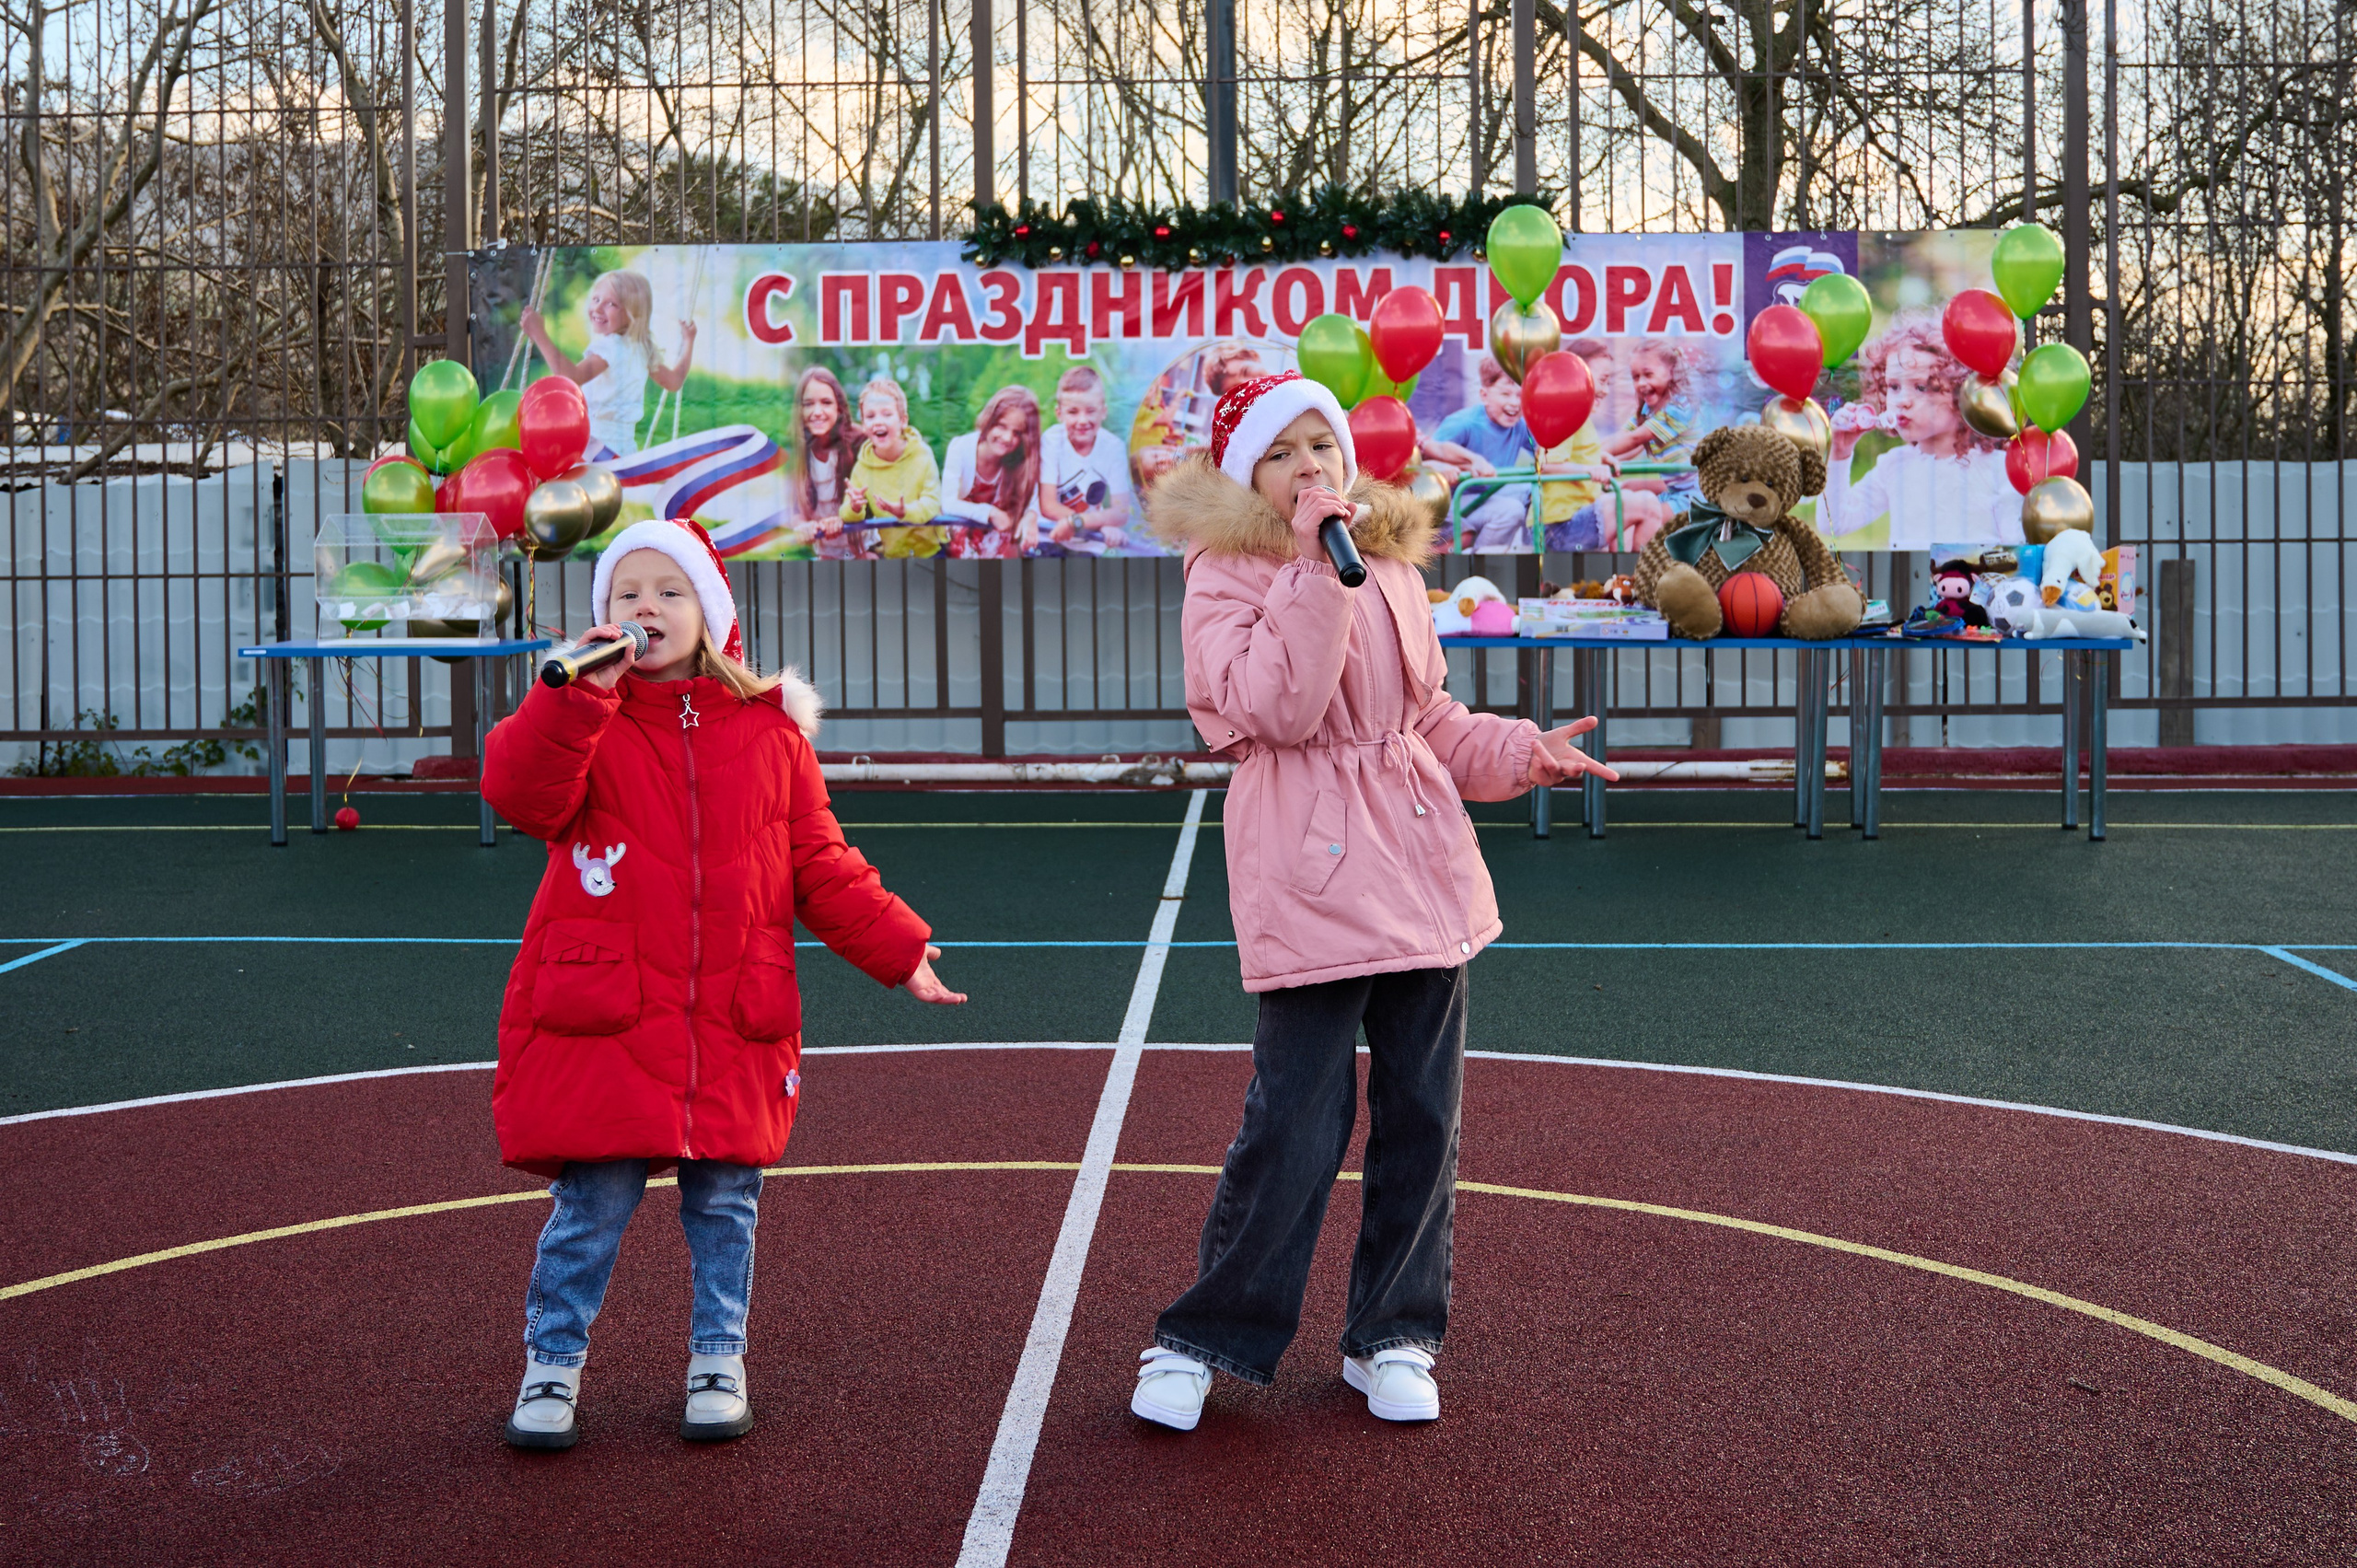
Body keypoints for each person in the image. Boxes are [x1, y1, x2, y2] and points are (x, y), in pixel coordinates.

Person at [1134, 370, 1619, 1432]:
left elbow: (1426, 712)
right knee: (1293, 1126)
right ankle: (1205, 1336)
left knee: (1422, 1118)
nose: (1311, 464)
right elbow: (1276, 705)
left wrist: (1515, 752)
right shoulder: (1224, 573)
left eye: (1323, 443)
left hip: (1418, 871)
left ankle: (1393, 1333)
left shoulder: (1388, 562)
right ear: (1247, 477)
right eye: (1282, 452)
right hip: (1309, 877)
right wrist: (1314, 569)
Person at [480, 516, 967, 1452]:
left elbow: (818, 860)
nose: (647, 608)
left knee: (726, 1204)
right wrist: (576, 695)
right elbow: (520, 790)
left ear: (710, 612)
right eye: (628, 594)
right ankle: (551, 1364)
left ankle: (717, 1354)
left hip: (732, 1015)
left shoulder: (769, 731)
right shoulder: (586, 720)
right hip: (611, 1019)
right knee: (592, 1205)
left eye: (669, 591)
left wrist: (898, 947)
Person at [1818, 313, 2019, 547]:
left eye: (1921, 387)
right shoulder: (1894, 466)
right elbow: (1835, 523)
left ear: (1962, 393)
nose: (1902, 401)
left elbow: (2016, 556)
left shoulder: (2000, 469)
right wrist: (1840, 454)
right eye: (1893, 386)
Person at [521, 270, 697, 460]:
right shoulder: (642, 349)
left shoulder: (611, 347)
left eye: (611, 304)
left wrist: (539, 333)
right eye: (596, 299)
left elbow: (572, 377)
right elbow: (675, 381)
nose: (598, 308)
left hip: (596, 448)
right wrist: (689, 342)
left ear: (632, 314)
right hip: (625, 452)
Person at [1537, 338, 1670, 554]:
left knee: (1633, 509)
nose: (1606, 390)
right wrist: (1590, 469)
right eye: (1602, 380)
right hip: (1559, 528)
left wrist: (1597, 459)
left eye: (1609, 382)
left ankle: (1620, 580)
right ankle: (1640, 580)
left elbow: (1569, 456)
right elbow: (1545, 463)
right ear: (1576, 377)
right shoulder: (1565, 411)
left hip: (1574, 517)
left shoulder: (1578, 414)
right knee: (1647, 506)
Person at [1422, 356, 1537, 552]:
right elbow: (1427, 461)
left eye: (1520, 395)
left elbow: (1546, 454)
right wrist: (1452, 467)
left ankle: (1525, 552)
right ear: (1484, 395)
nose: (1514, 403)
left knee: (1532, 491)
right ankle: (1479, 562)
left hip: (1483, 496)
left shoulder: (1519, 426)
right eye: (1505, 394)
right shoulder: (1463, 423)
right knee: (1511, 510)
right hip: (1449, 504)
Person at [1039, 366, 1140, 554]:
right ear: (1059, 414)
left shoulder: (1114, 447)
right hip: (1049, 537)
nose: (1082, 420)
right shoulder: (1051, 440)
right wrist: (1098, 524)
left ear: (1103, 411)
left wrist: (1081, 523)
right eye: (1073, 412)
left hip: (1090, 544)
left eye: (1091, 410)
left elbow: (1120, 512)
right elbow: (1048, 505)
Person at [840, 377, 945, 558]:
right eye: (871, 416)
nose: (878, 421)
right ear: (864, 426)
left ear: (903, 421)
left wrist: (904, 512)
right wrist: (855, 507)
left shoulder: (922, 454)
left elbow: (933, 503)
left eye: (887, 414)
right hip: (893, 556)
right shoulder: (862, 467)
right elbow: (846, 513)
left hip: (932, 552)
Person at [939, 385, 1043, 558]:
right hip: (959, 549)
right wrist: (989, 513)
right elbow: (948, 503)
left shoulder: (1019, 463)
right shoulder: (961, 448)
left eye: (1017, 433)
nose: (1007, 438)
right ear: (989, 419)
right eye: (1001, 426)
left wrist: (1031, 516)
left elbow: (1035, 500)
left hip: (996, 550)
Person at [788, 366, 871, 561]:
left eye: (826, 403)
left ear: (839, 407)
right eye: (808, 404)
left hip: (864, 549)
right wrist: (802, 526)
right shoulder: (799, 450)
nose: (817, 412)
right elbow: (795, 511)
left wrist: (844, 518)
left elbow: (875, 502)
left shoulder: (859, 442)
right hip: (826, 554)